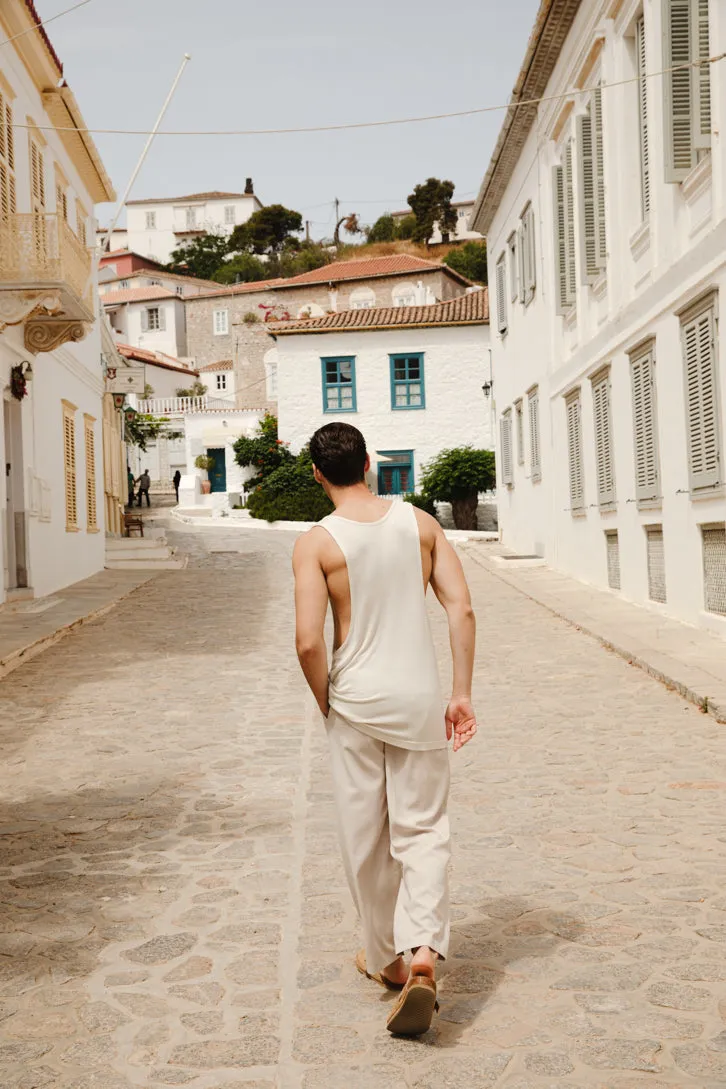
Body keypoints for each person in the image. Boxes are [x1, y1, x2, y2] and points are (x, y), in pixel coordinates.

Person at [292, 422, 477, 1037]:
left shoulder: (317, 543)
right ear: (369, 462)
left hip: (356, 701)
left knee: (365, 835)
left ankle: (390, 963)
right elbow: (461, 607)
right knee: (423, 829)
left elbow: (308, 641)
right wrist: (460, 692)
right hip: (420, 698)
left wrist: (326, 701)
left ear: (318, 474)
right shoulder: (421, 524)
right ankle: (424, 953)